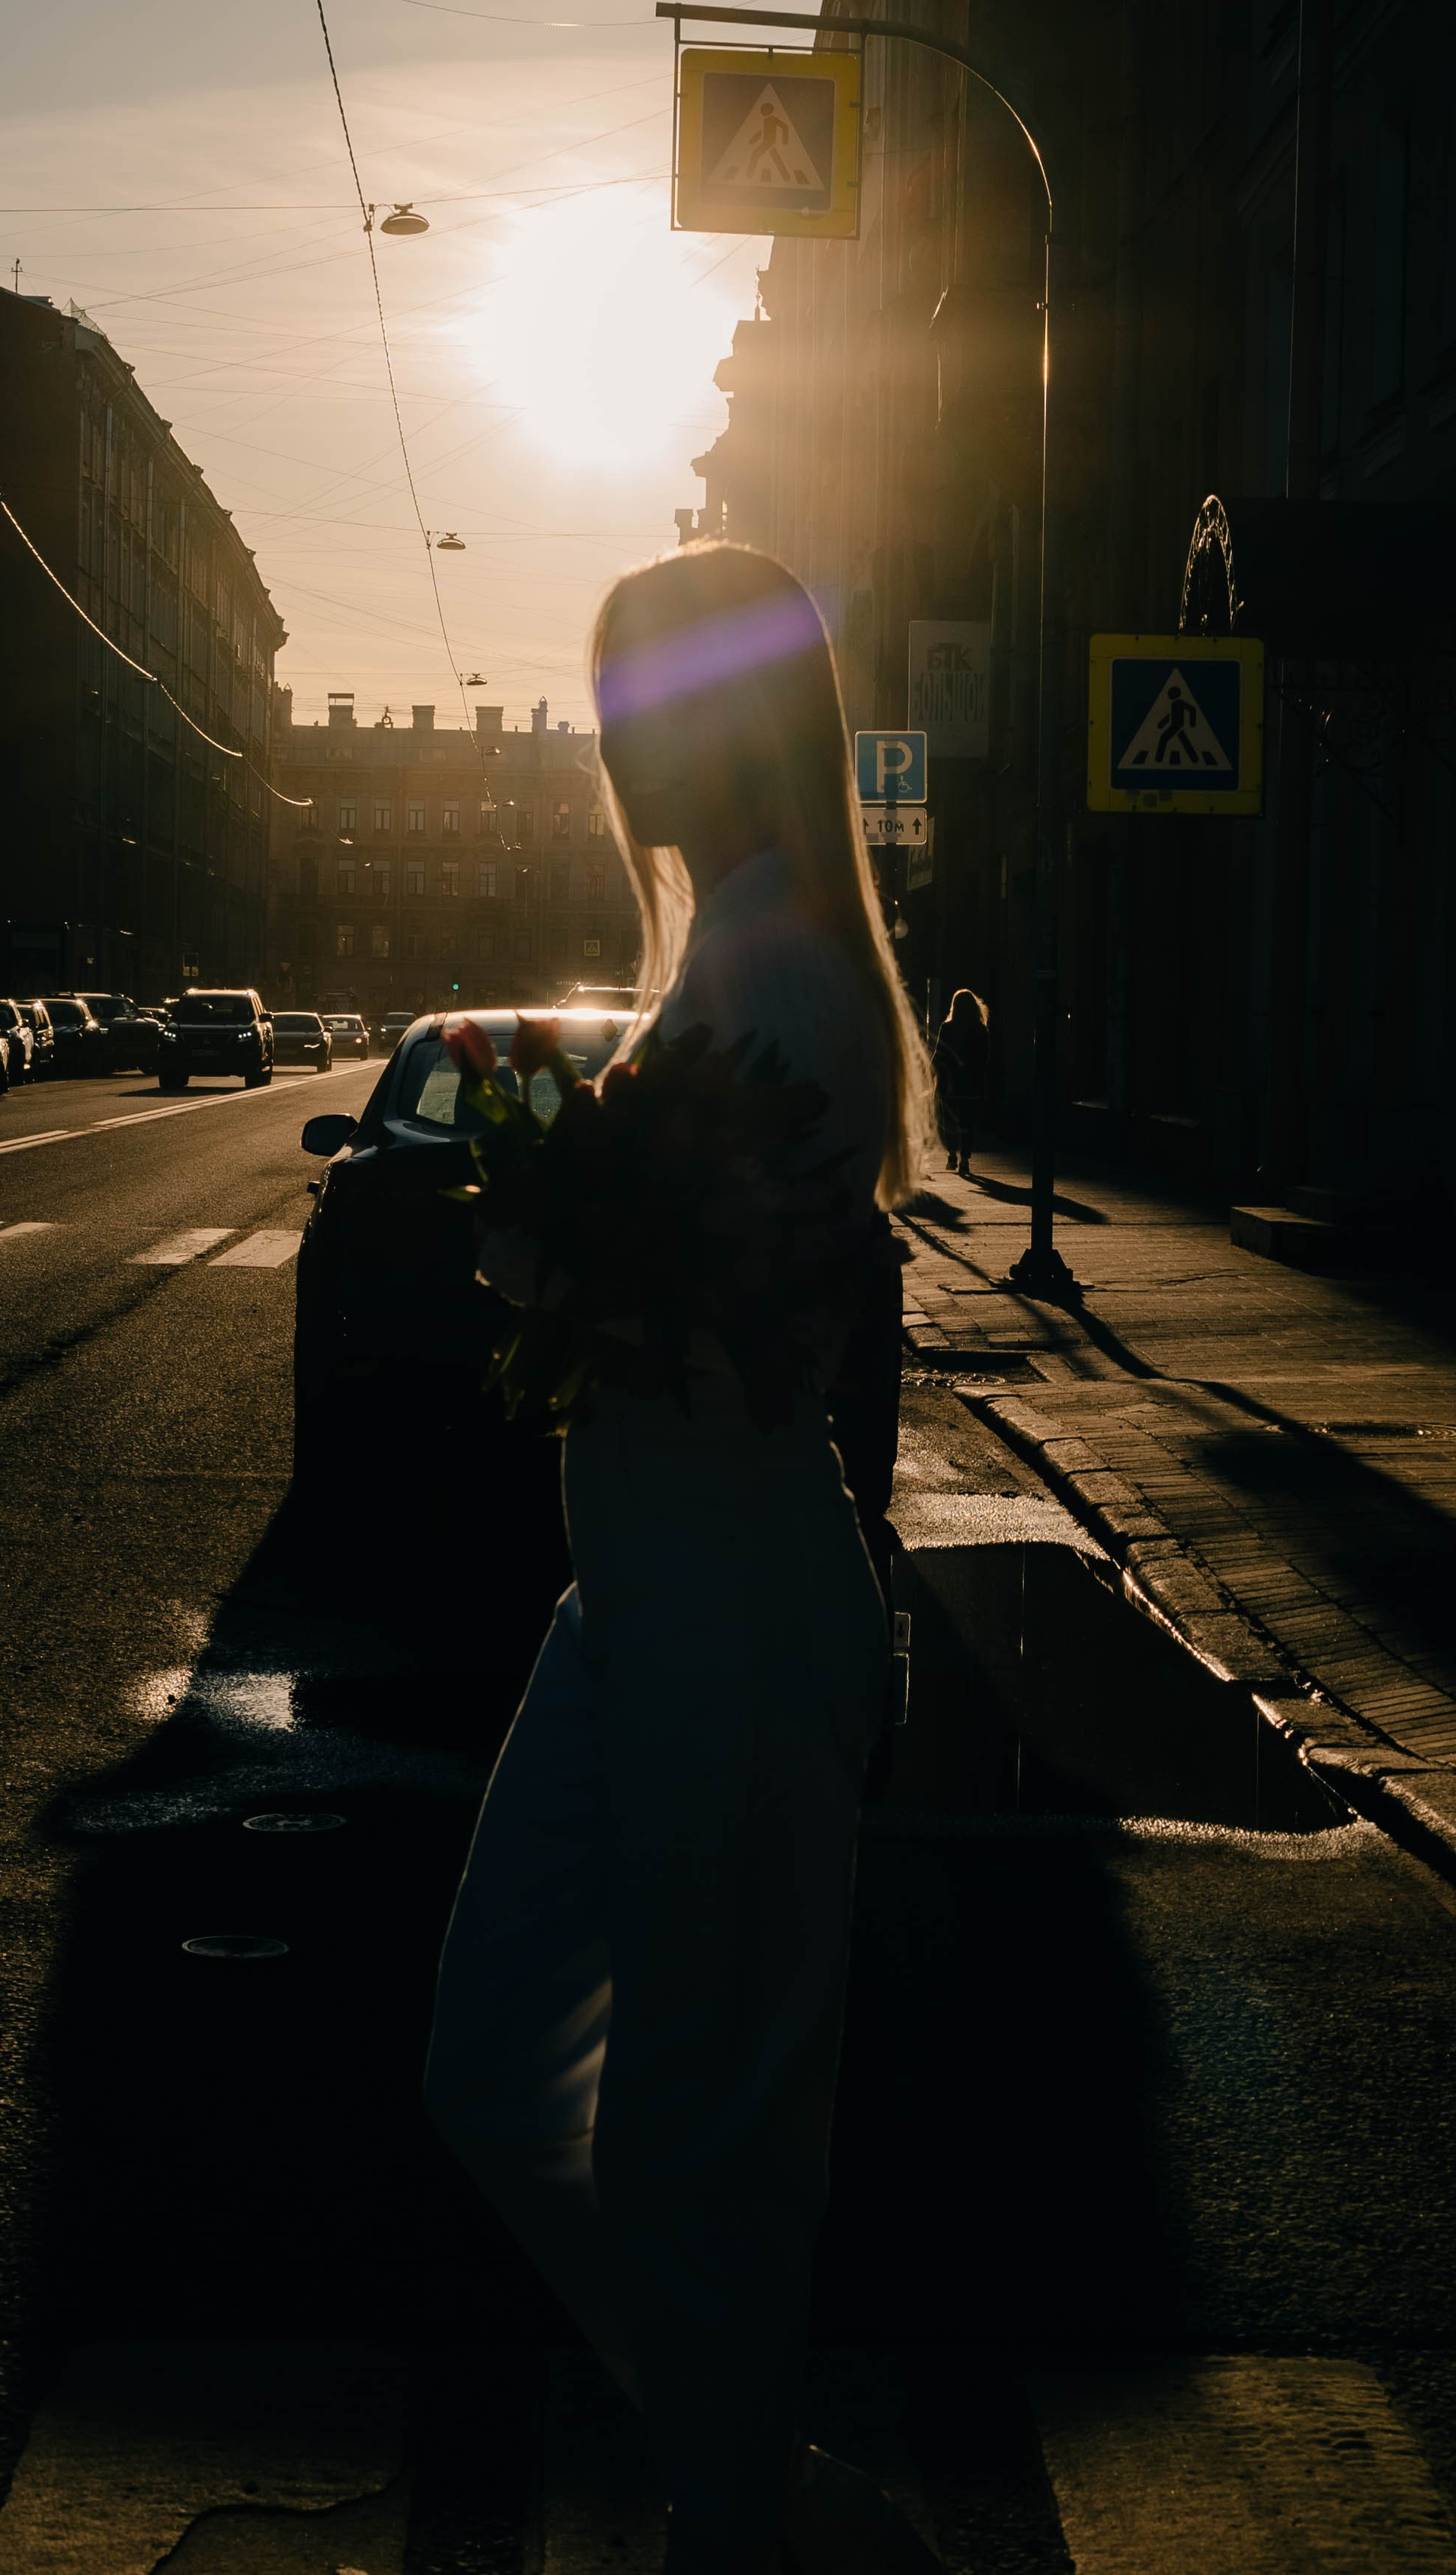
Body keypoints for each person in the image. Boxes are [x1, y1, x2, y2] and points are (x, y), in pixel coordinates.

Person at [424, 544, 939, 2575]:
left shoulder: (791, 962)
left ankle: (741, 2514)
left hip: (725, 1601)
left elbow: (716, 1310)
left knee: (701, 2145)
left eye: (646, 701)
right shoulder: (738, 936)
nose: (618, 743)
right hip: (640, 1601)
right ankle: (755, 2483)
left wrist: (547, 1220)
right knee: (496, 2066)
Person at [930, 988, 988, 1178]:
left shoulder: (947, 1028)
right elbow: (985, 1058)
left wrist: (930, 1073)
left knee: (949, 1122)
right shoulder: (981, 1029)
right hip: (972, 1084)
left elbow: (939, 1054)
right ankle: (965, 1159)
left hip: (950, 1084)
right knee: (967, 1123)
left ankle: (952, 1155)